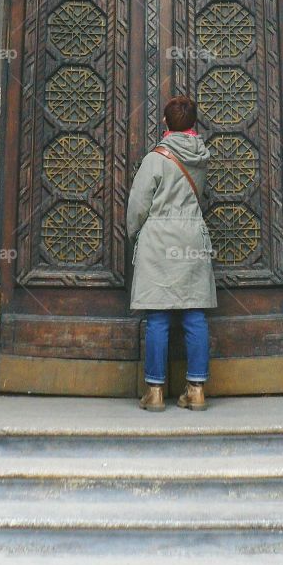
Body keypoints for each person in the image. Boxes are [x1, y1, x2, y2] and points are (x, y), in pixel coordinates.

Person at [127, 95, 216, 411]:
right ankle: (196, 389)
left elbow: (139, 204)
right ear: (193, 124)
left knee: (158, 316)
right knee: (194, 315)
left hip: (160, 240)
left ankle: (154, 392)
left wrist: (133, 230)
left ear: (165, 122)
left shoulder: (155, 159)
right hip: (192, 236)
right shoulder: (202, 157)